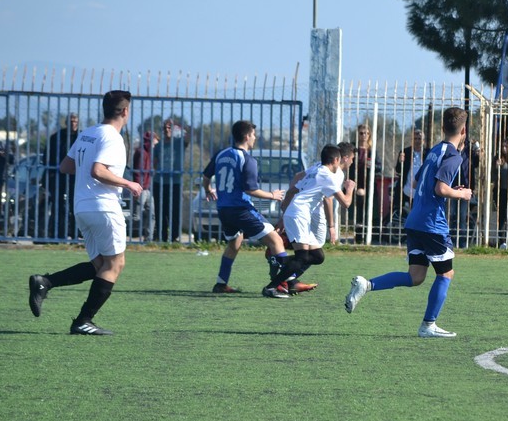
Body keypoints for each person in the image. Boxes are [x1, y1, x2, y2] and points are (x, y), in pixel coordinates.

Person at [344, 107, 473, 337]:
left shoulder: (434, 150)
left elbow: (415, 183)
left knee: (416, 276)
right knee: (446, 274)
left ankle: (367, 284)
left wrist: (449, 189)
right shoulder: (454, 155)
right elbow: (440, 189)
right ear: (463, 130)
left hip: (414, 220)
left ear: (443, 128)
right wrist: (461, 193)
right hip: (432, 223)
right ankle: (428, 325)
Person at [26, 90, 144, 335]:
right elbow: (97, 170)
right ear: (125, 111)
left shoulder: (87, 133)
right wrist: (128, 183)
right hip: (103, 208)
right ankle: (83, 320)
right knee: (115, 264)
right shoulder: (113, 137)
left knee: (100, 265)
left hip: (82, 207)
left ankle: (45, 282)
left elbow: (65, 166)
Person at [197, 120, 289, 296]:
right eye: (253, 135)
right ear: (247, 136)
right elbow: (250, 189)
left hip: (223, 210)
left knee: (234, 243)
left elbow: (206, 176)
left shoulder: (221, 154)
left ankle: (221, 284)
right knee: (276, 240)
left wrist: (208, 190)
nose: (255, 138)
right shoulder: (247, 159)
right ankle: (280, 285)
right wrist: (272, 195)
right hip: (241, 210)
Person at [268, 145, 356, 294]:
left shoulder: (315, 170)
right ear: (337, 160)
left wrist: (285, 213)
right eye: (351, 159)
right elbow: (346, 203)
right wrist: (350, 188)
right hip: (299, 215)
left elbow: (292, 190)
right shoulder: (329, 176)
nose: (352, 162)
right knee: (302, 258)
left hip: (298, 214)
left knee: (317, 256)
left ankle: (280, 262)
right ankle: (272, 286)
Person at [152, 118, 190, 242]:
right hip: (160, 182)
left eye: (169, 127)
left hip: (175, 182)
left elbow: (189, 136)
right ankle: (162, 237)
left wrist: (183, 126)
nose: (167, 130)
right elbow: (155, 164)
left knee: (175, 211)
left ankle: (174, 237)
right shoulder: (158, 146)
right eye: (165, 128)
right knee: (160, 211)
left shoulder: (180, 143)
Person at [45, 113, 81, 239]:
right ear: (66, 123)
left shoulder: (82, 137)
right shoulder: (56, 137)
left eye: (75, 121)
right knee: (58, 206)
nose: (73, 123)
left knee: (75, 205)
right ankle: (58, 235)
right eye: (71, 121)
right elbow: (47, 157)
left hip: (75, 176)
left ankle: (75, 235)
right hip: (58, 175)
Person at [130, 130, 156, 242]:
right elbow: (138, 172)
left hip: (147, 189)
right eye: (154, 141)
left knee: (151, 214)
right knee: (136, 216)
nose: (155, 143)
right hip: (141, 188)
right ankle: (126, 235)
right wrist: (137, 188)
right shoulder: (141, 152)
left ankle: (149, 238)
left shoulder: (148, 152)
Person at [395, 128, 427, 217]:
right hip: (406, 190)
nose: (417, 141)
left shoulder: (428, 153)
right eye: (415, 138)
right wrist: (400, 162)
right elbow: (398, 170)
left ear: (423, 141)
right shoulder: (405, 152)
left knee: (419, 215)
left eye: (419, 139)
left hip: (421, 191)